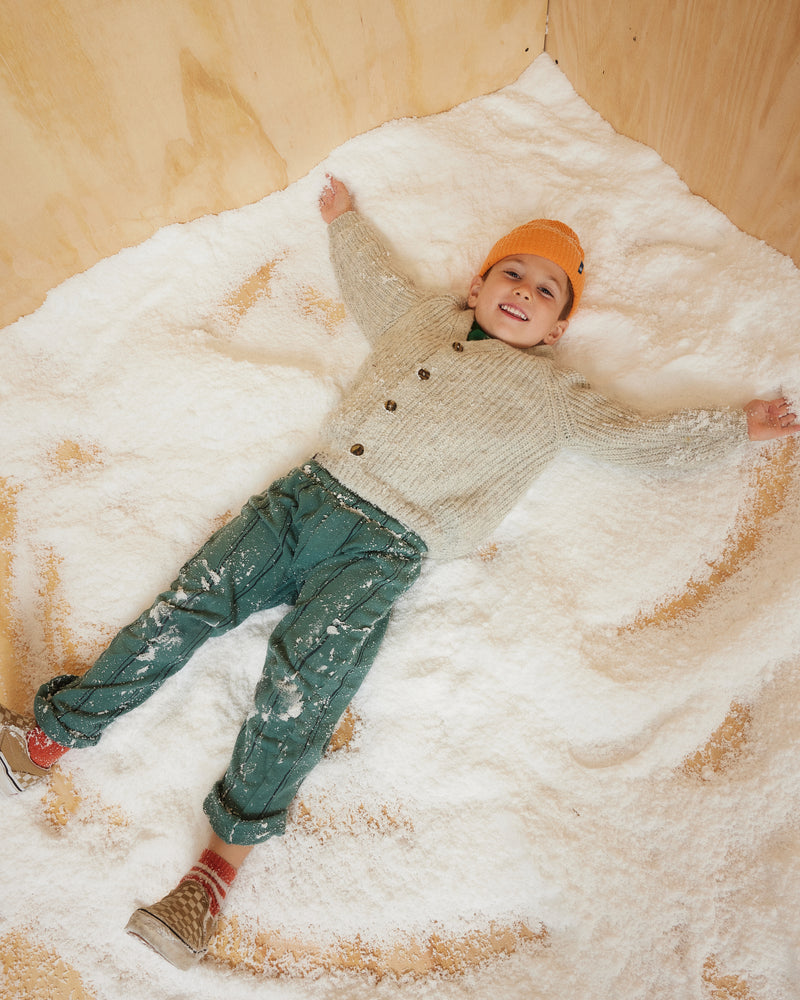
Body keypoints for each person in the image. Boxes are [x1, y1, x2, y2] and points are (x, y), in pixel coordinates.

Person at [1, 176, 797, 970]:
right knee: (184, 608)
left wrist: (736, 430)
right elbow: (374, 283)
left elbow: (637, 438)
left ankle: (214, 874)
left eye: (547, 290)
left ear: (557, 329)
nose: (524, 291)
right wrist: (347, 223)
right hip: (298, 504)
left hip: (384, 551)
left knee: (302, 687)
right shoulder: (422, 320)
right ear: (478, 286)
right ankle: (49, 738)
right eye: (513, 273)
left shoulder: (556, 397)